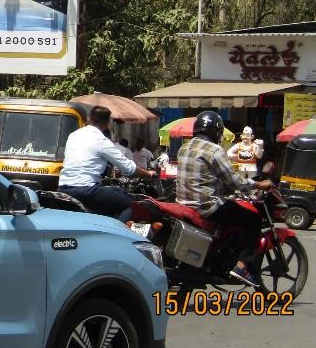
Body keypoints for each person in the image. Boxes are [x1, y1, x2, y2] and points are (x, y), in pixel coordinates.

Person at [176, 111, 273, 287]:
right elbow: (236, 182)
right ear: (216, 131)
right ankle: (241, 267)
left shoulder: (184, 148)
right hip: (208, 207)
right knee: (254, 218)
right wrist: (259, 185)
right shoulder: (214, 150)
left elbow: (204, 178)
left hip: (183, 205)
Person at [58, 106, 156, 222]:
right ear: (107, 124)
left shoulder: (73, 135)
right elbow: (128, 168)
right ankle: (117, 232)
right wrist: (149, 174)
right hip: (86, 190)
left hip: (63, 188)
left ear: (89, 118)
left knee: (114, 193)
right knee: (132, 205)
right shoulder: (101, 140)